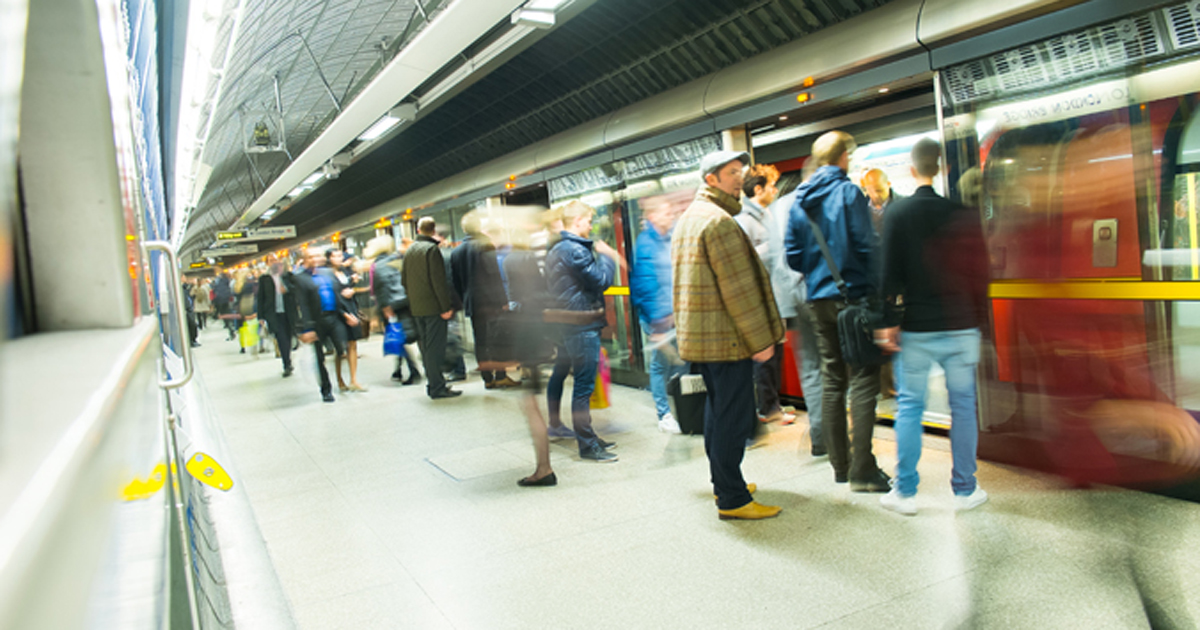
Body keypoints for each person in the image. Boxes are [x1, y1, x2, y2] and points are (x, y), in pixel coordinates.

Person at [875, 138, 990, 515]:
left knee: (909, 405)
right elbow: (980, 274)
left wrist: (887, 321)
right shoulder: (963, 213)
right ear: (941, 168)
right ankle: (965, 489)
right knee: (963, 406)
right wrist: (979, 323)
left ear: (912, 169)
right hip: (961, 325)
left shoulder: (899, 213)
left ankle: (905, 493)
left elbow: (888, 273)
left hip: (917, 329)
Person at [673, 150, 785, 520]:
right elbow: (739, 290)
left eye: (741, 171)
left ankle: (724, 481)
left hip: (705, 338)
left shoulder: (691, 217)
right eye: (732, 173)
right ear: (711, 179)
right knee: (732, 417)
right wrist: (761, 341)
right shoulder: (719, 222)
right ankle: (733, 498)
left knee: (717, 413)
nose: (740, 178)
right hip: (727, 339)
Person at [785, 130, 891, 493]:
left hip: (818, 300)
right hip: (854, 299)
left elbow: (792, 256)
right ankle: (863, 469)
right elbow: (866, 245)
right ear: (844, 156)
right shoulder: (848, 192)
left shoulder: (798, 199)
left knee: (833, 379)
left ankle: (840, 466)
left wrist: (819, 273)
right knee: (864, 379)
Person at [545, 200, 621, 462]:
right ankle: (587, 445)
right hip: (582, 324)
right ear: (577, 221)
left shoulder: (558, 248)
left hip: (570, 324)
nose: (591, 225)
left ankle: (589, 436)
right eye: (588, 220)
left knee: (582, 383)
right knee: (583, 386)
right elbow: (601, 281)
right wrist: (609, 258)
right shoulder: (575, 250)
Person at [766, 162, 825, 456]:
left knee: (812, 368)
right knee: (834, 366)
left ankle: (821, 434)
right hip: (826, 296)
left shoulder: (778, 209)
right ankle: (833, 432)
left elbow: (779, 259)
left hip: (798, 298)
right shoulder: (829, 199)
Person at [736, 163, 797, 426]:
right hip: (760, 299)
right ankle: (767, 408)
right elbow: (744, 263)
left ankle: (771, 404)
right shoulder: (744, 220)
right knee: (764, 355)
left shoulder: (766, 215)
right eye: (771, 186)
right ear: (758, 189)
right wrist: (771, 250)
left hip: (776, 296)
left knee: (774, 354)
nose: (774, 191)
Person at [630, 195, 686, 434]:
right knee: (660, 365)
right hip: (659, 318)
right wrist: (657, 323)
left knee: (683, 363)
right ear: (652, 217)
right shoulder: (645, 244)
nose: (671, 215)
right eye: (666, 212)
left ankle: (685, 406)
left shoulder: (672, 237)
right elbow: (644, 284)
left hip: (678, 313)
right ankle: (664, 414)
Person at [451, 211, 520, 389]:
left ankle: (487, 379)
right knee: (498, 339)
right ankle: (501, 375)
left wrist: (464, 299)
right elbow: (494, 275)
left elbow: (456, 281)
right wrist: (503, 300)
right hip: (491, 302)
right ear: (478, 227)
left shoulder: (457, 251)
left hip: (473, 303)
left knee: (480, 341)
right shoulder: (485, 245)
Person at [401, 217, 461, 399]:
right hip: (434, 308)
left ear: (418, 230)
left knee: (426, 349)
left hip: (417, 308)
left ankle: (433, 384)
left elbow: (404, 280)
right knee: (436, 349)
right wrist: (445, 307)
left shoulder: (410, 249)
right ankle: (437, 387)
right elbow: (438, 282)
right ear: (433, 231)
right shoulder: (431, 250)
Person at [366, 235, 422, 385]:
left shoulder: (379, 265)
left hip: (392, 305)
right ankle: (399, 369)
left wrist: (385, 307)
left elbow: (380, 287)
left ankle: (413, 370)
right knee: (406, 335)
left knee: (399, 337)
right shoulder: (397, 259)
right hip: (406, 301)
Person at [291, 247, 337, 403]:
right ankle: (326, 389)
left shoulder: (327, 274)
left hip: (334, 318)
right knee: (319, 357)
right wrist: (307, 328)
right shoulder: (299, 278)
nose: (315, 259)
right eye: (310, 257)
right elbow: (301, 304)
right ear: (304, 259)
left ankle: (345, 381)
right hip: (316, 322)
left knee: (342, 349)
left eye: (317, 256)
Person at [327, 249, 367, 393]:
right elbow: (333, 294)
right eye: (335, 256)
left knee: (353, 344)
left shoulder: (345, 272)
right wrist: (344, 314)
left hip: (351, 309)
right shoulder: (327, 275)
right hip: (338, 313)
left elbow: (347, 288)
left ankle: (353, 379)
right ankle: (340, 379)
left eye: (340, 256)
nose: (339, 259)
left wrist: (352, 286)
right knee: (340, 349)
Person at [257, 260, 297, 377]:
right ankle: (287, 364)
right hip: (273, 314)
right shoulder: (265, 279)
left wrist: (287, 288)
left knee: (288, 336)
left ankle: (287, 357)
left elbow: (295, 289)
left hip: (288, 312)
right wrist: (261, 316)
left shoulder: (288, 277)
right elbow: (261, 297)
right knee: (281, 338)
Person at [860, 168, 900, 234]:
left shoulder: (903, 205)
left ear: (888, 184)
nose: (875, 195)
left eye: (879, 190)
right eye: (870, 191)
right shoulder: (860, 209)